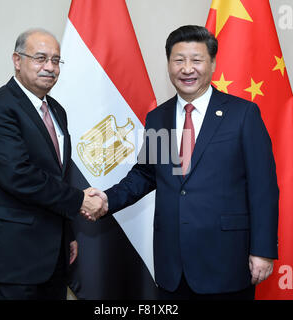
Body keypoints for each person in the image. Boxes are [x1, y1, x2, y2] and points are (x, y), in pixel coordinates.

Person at [86, 25, 279, 300]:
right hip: (172, 266)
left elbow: (264, 189)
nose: (187, 68)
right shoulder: (159, 118)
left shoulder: (242, 114)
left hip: (227, 261)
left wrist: (262, 250)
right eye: (179, 60)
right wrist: (106, 199)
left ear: (212, 64)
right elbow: (145, 175)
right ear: (168, 64)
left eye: (196, 60)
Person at [0, 28, 106, 300]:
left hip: (54, 256)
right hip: (12, 256)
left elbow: (58, 176)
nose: (50, 67)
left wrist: (68, 235)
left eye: (56, 60)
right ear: (17, 60)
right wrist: (79, 200)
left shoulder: (57, 110)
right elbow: (18, 175)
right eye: (40, 58)